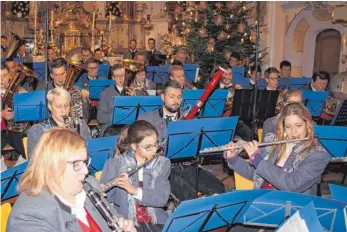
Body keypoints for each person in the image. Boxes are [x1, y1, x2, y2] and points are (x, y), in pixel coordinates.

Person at [7, 128, 136, 232]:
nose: (86, 171)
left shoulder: (89, 185)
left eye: (85, 161)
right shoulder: (28, 217)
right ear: (53, 166)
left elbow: (114, 217)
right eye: (76, 163)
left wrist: (123, 223)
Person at [224, 102, 330, 195]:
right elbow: (259, 175)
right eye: (288, 126)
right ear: (283, 127)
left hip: (290, 207)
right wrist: (234, 159)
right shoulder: (276, 144)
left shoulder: (317, 154)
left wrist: (257, 160)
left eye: (298, 125)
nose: (293, 131)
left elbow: (292, 185)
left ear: (307, 125)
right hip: (262, 199)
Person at [101, 120, 171, 231]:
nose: (154, 150)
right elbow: (108, 200)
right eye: (148, 147)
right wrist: (103, 190)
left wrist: (133, 190)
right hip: (129, 225)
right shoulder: (115, 164)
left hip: (157, 222)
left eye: (156, 144)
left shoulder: (163, 164)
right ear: (134, 146)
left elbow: (162, 198)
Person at [27, 88, 90, 157]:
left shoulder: (80, 125)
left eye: (66, 105)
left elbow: (89, 151)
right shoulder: (37, 131)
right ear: (50, 106)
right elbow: (34, 162)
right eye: (58, 106)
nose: (63, 110)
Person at [1, 63, 26, 157]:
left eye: (4, 75)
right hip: (1, 131)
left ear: (10, 76)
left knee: (29, 148)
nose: (2, 79)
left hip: (16, 131)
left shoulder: (18, 91)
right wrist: (1, 114)